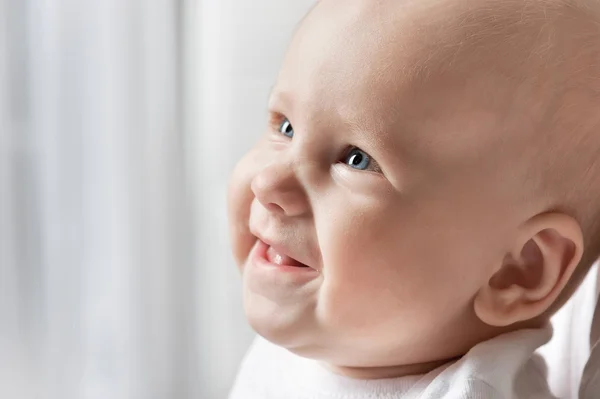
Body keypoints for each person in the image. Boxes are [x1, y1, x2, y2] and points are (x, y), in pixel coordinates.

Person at [227, 0, 600, 397]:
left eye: (357, 159)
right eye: (285, 127)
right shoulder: (324, 342)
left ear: (516, 270)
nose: (268, 183)